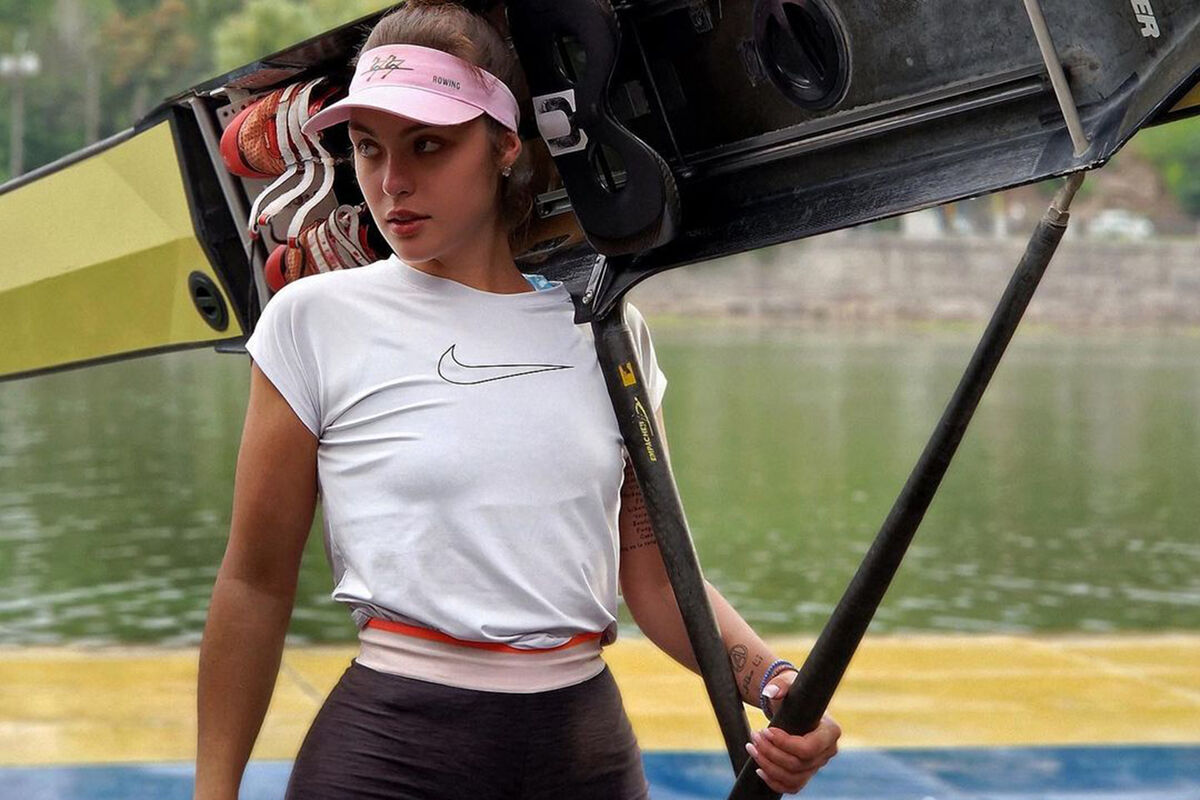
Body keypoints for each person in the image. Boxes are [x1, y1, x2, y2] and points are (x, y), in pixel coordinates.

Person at [194, 2, 841, 798]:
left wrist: (775, 683)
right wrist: (213, 792)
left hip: (584, 758)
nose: (392, 183)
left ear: (504, 145)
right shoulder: (313, 321)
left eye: (428, 145)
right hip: (389, 758)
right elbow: (255, 584)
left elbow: (656, 578)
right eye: (367, 148)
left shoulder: (607, 331)